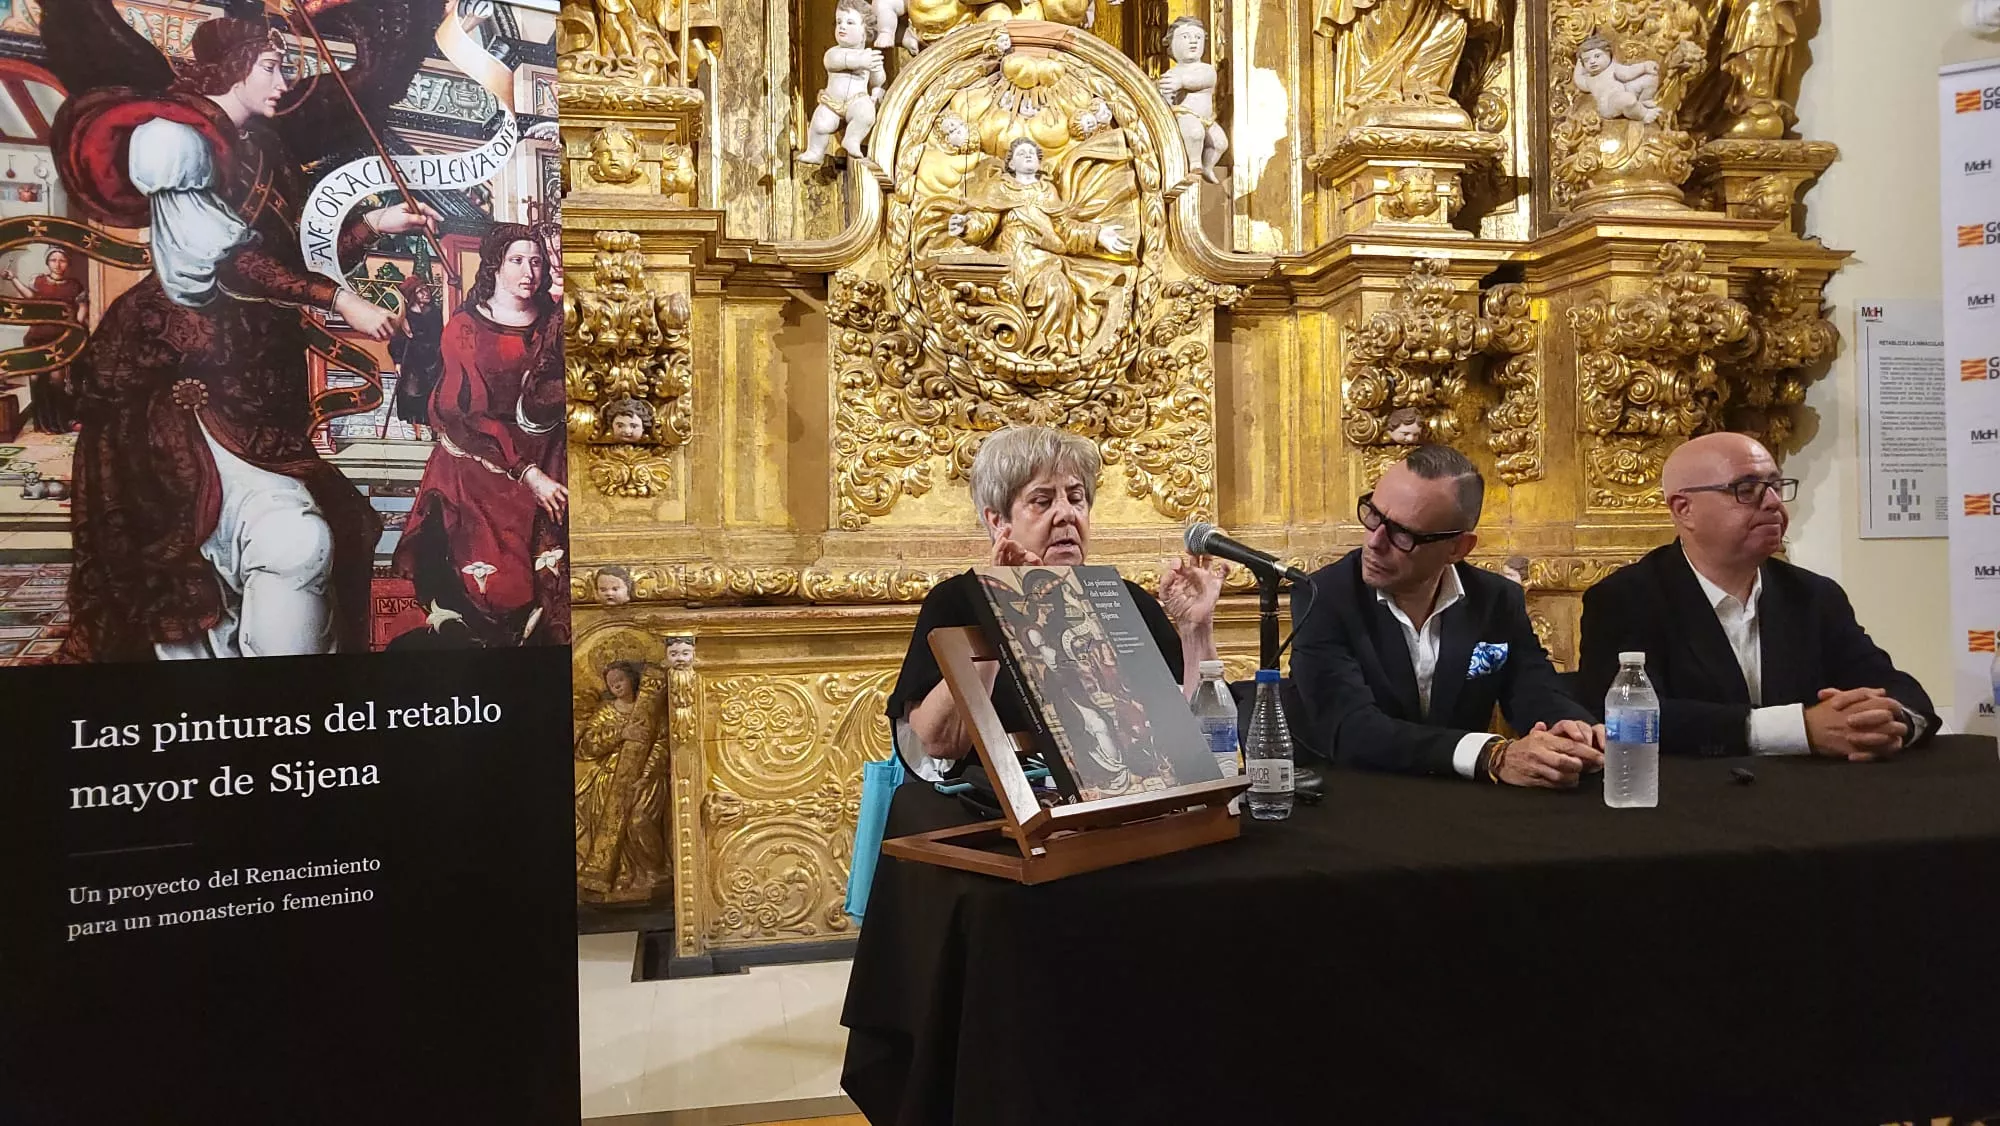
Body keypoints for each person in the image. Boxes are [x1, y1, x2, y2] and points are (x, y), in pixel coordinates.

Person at [51, 15, 436, 661]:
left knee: (303, 545)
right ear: (232, 67)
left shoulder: (266, 149)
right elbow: (228, 263)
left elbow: (282, 252)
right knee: (238, 560)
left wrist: (370, 224)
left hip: (259, 383)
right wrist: (337, 297)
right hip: (182, 380)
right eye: (272, 65)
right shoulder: (176, 140)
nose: (286, 80)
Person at [885, 425, 1226, 783]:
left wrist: (1195, 630)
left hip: (1131, 808)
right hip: (1000, 813)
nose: (1066, 515)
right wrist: (997, 607)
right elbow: (938, 743)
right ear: (998, 520)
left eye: (1076, 498)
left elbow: (1196, 736)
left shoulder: (1123, 598)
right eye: (1043, 501)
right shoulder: (957, 600)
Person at [1577, 432, 1939, 760]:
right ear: (1684, 510)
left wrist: (1892, 723)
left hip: (1811, 806)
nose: (1772, 503)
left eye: (1776, 486)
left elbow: (1896, 687)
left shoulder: (1813, 595)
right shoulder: (1626, 599)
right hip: (1690, 807)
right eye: (1745, 489)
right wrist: (1802, 729)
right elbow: (1632, 719)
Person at [1289, 445, 1606, 788]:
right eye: (1373, 515)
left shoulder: (1496, 599)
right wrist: (1490, 755)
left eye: (1402, 533)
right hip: (1351, 798)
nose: (1375, 542)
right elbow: (1351, 729)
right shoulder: (1322, 596)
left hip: (1460, 802)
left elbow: (1532, 687)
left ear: (1457, 548)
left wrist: (1573, 729)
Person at [392, 224, 567, 648]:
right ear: (495, 266)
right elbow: (462, 414)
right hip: (477, 464)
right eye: (517, 260)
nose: (530, 271)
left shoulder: (553, 319)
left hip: (548, 455)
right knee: (490, 584)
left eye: (537, 262)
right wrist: (526, 473)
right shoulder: (466, 327)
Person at [0, 247, 87, 434]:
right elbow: (31, 298)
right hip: (37, 338)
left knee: (57, 379)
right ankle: (42, 423)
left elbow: (81, 311)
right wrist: (13, 279)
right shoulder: (38, 281)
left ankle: (62, 422)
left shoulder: (74, 285)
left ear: (68, 264)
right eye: (53, 260)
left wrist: (76, 329)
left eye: (62, 260)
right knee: (36, 377)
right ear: (47, 263)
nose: (58, 264)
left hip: (61, 339)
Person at [390, 275, 445, 436]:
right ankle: (417, 432)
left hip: (433, 360)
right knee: (413, 393)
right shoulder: (406, 316)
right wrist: (398, 362)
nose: (426, 293)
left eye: (426, 289)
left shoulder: (435, 313)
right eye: (420, 291)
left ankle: (432, 428)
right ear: (412, 295)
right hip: (413, 360)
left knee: (432, 395)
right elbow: (397, 340)